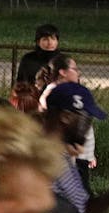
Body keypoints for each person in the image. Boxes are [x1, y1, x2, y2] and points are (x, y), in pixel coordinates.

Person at [39, 54, 99, 193]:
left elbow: (85, 128)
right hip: (70, 155)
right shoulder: (53, 93)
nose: (78, 72)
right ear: (63, 72)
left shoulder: (74, 92)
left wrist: (89, 153)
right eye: (75, 69)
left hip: (78, 154)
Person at [13, 24, 61, 113]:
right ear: (38, 42)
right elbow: (21, 82)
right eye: (45, 39)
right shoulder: (28, 59)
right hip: (32, 103)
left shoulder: (63, 60)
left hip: (57, 104)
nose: (50, 42)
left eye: (53, 39)